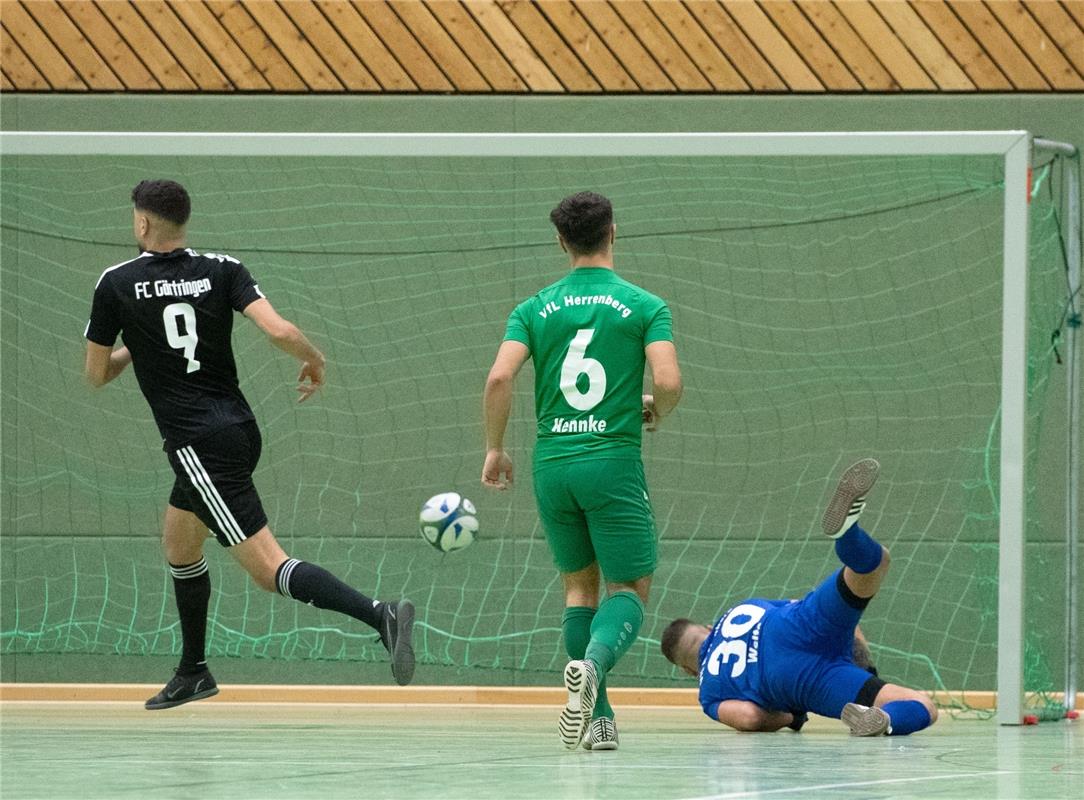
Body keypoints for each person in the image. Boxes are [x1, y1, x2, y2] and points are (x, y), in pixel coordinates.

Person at [84, 179, 415, 710]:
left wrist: (137, 347)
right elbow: (280, 332)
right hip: (238, 430)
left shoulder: (115, 283)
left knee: (268, 570)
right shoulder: (222, 269)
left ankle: (381, 614)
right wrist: (316, 358)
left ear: (142, 223)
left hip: (196, 446)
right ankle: (194, 671)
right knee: (179, 543)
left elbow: (97, 374)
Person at [481, 192, 682, 750]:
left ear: (561, 241)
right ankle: (594, 662)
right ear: (614, 232)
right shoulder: (645, 305)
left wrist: (495, 448)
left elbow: (499, 379)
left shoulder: (532, 308)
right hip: (612, 463)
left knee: (578, 590)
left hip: (553, 466)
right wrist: (652, 411)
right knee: (631, 588)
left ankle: (599, 719)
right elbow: (666, 383)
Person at [660, 458, 938, 737]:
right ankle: (847, 533)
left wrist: (789, 717)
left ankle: (884, 719)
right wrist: (866, 668)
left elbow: (749, 717)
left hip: (798, 677)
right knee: (871, 567)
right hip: (800, 623)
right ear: (708, 628)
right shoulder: (739, 610)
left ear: (687, 670)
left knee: (921, 704)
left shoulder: (709, 692)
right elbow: (802, 606)